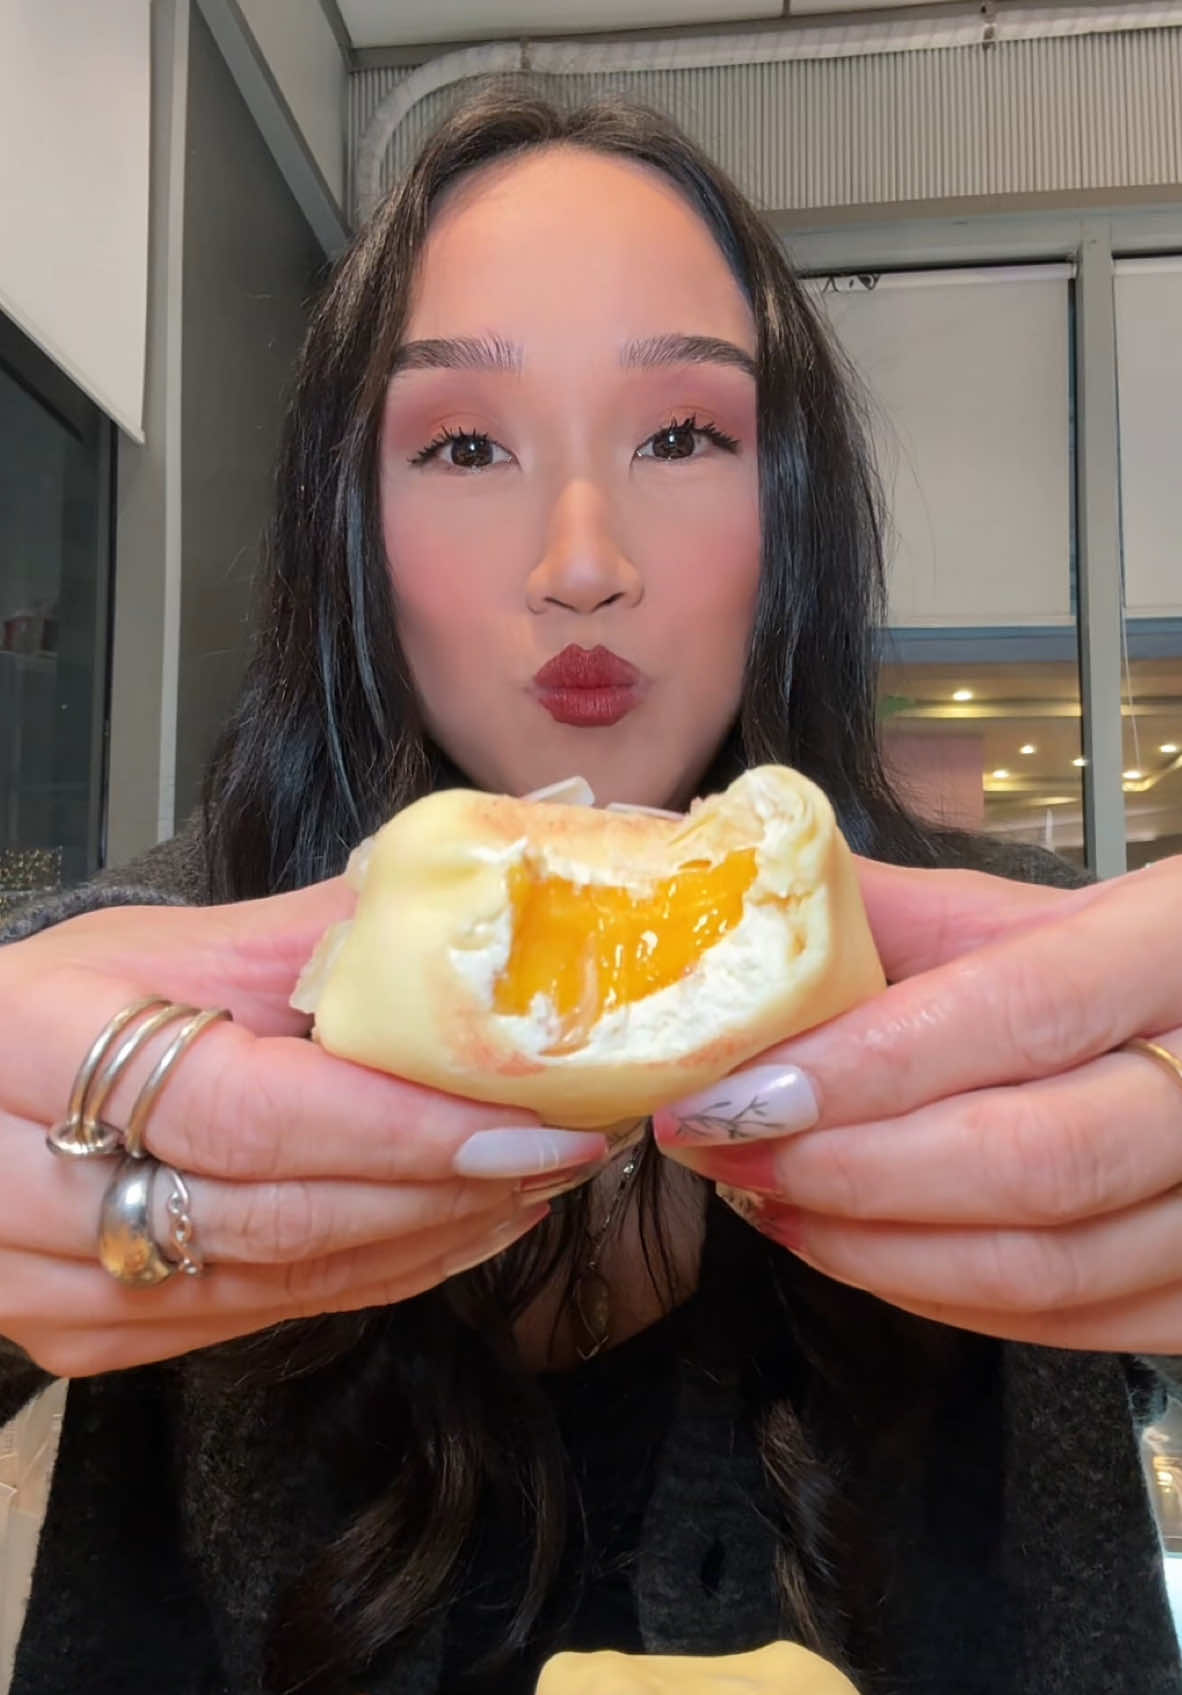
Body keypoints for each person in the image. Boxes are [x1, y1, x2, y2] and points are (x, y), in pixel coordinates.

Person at [2, 84, 1181, 1695]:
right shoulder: (144, 983)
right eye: (463, 444)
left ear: (794, 505)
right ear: (347, 522)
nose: (579, 560)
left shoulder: (1031, 965)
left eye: (682, 435)